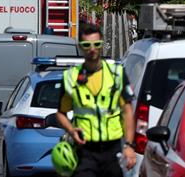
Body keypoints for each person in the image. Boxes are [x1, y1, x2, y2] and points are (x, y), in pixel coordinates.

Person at [54, 22, 136, 177]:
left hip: (112, 150)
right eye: (87, 45)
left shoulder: (116, 74)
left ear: (101, 44)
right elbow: (60, 113)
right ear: (80, 47)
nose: (92, 49)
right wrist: (71, 131)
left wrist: (129, 146)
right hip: (85, 150)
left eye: (96, 44)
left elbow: (127, 112)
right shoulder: (70, 77)